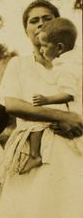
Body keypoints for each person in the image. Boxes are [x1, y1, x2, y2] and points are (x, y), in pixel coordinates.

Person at [0, 0, 83, 218]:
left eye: (48, 18)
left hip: (71, 155)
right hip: (33, 151)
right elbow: (13, 105)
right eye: (33, 20)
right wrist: (60, 117)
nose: (40, 24)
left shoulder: (74, 64)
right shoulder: (19, 65)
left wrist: (74, 121)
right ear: (26, 29)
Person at [20, 17, 82, 174]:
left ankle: (35, 155)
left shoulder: (66, 68)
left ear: (59, 48)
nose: (41, 49)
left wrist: (46, 100)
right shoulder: (74, 62)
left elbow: (69, 94)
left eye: (44, 46)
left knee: (37, 120)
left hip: (76, 114)